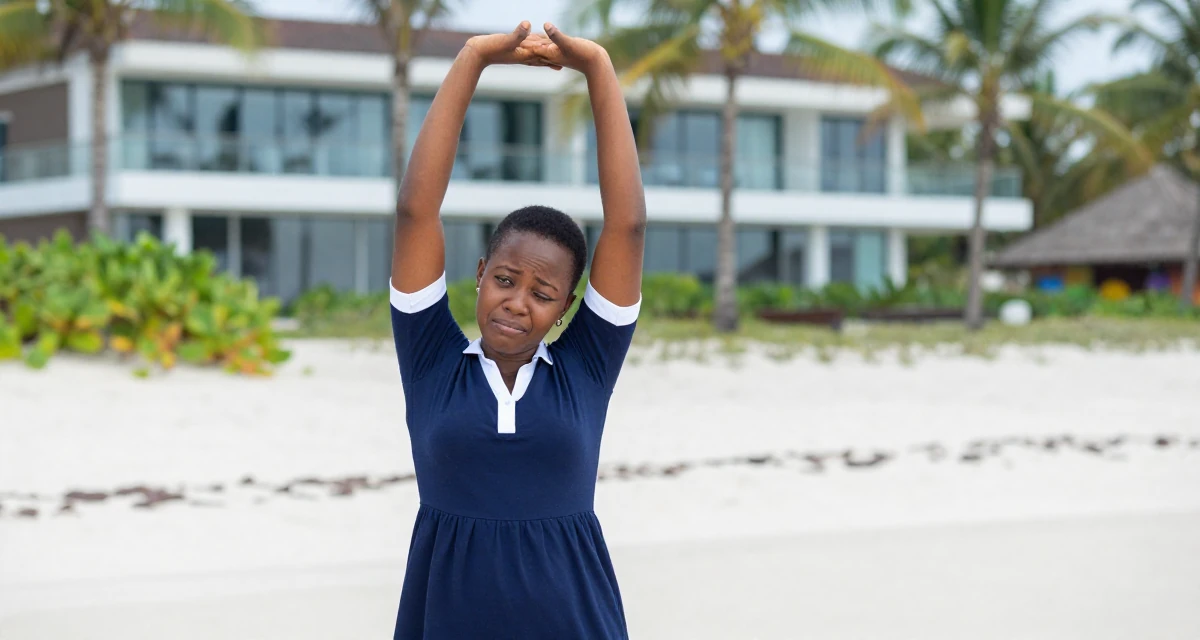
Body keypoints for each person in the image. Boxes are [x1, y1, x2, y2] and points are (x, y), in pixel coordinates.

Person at [388, 20, 646, 640]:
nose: (517, 303)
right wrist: (474, 58)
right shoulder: (431, 360)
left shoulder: (585, 368)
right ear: (480, 274)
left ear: (566, 308)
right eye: (505, 279)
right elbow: (414, 211)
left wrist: (598, 70)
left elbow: (628, 226)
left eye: (543, 294)